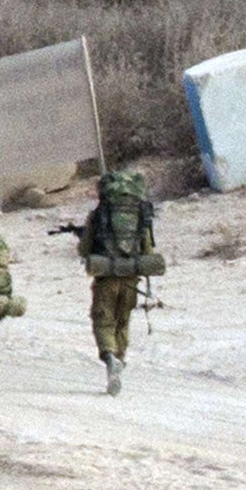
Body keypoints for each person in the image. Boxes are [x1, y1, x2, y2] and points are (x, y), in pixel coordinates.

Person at [69, 170, 162, 397]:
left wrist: (85, 240)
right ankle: (119, 361)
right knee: (123, 322)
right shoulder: (142, 214)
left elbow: (84, 249)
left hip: (106, 279)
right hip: (131, 278)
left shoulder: (99, 214)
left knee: (103, 321)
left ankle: (110, 358)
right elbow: (148, 250)